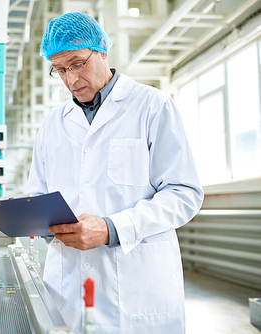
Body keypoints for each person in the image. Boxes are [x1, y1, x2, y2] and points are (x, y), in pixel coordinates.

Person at [26, 12, 204, 334]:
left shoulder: (152, 106)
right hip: (68, 288)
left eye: (78, 63)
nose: (70, 79)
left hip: (137, 289)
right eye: (60, 69)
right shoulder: (54, 123)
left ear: (103, 50)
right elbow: (38, 193)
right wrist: (34, 220)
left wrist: (111, 229)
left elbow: (184, 193)